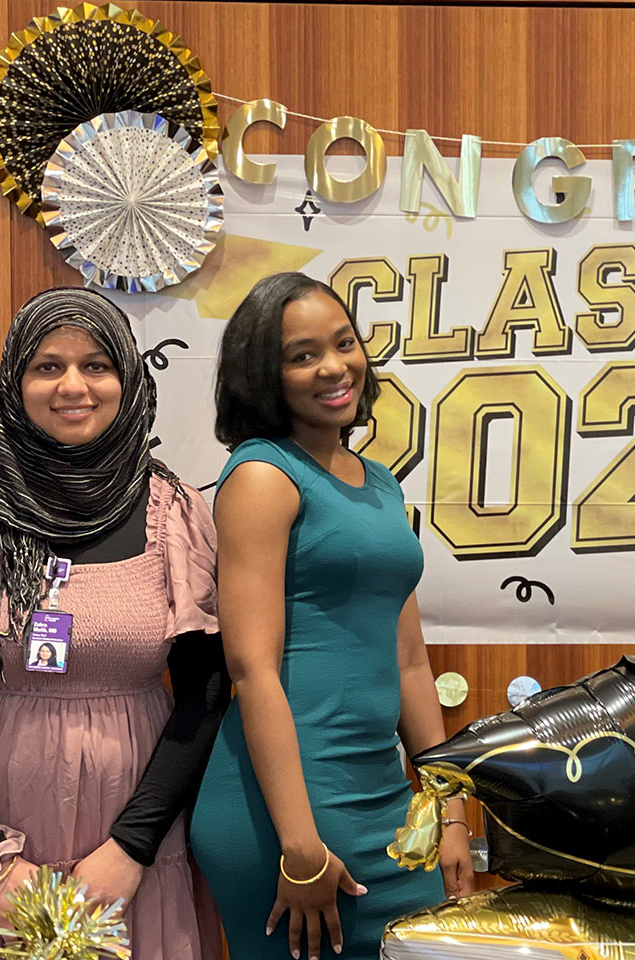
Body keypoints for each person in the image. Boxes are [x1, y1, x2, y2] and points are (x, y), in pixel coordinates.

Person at [0, 287, 231, 959]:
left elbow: (206, 695)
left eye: (97, 365)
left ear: (128, 377)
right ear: (15, 379)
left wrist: (132, 848)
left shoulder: (176, 513)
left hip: (136, 842)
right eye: (48, 366)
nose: (74, 385)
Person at [190, 272, 474, 960]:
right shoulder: (261, 475)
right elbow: (251, 670)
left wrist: (449, 810)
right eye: (302, 354)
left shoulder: (380, 484)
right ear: (266, 375)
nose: (334, 367)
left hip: (383, 798)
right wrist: (299, 846)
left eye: (344, 343)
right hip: (286, 809)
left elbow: (410, 661)